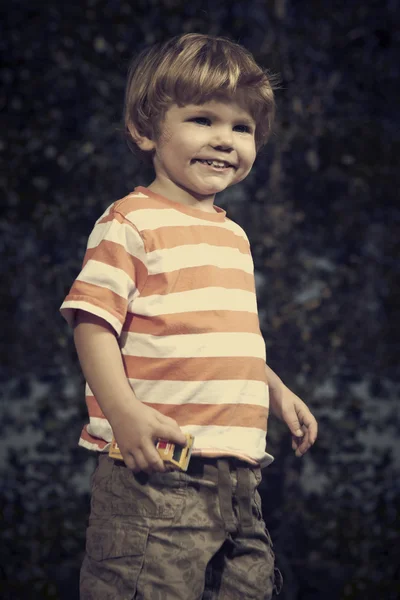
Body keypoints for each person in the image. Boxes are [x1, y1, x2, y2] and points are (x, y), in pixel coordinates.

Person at [60, 33, 318, 600]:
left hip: (238, 477)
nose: (225, 140)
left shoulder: (234, 236)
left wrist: (272, 388)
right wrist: (123, 413)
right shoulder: (130, 221)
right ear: (146, 131)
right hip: (157, 471)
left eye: (242, 128)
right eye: (203, 120)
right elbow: (91, 320)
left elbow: (218, 334)